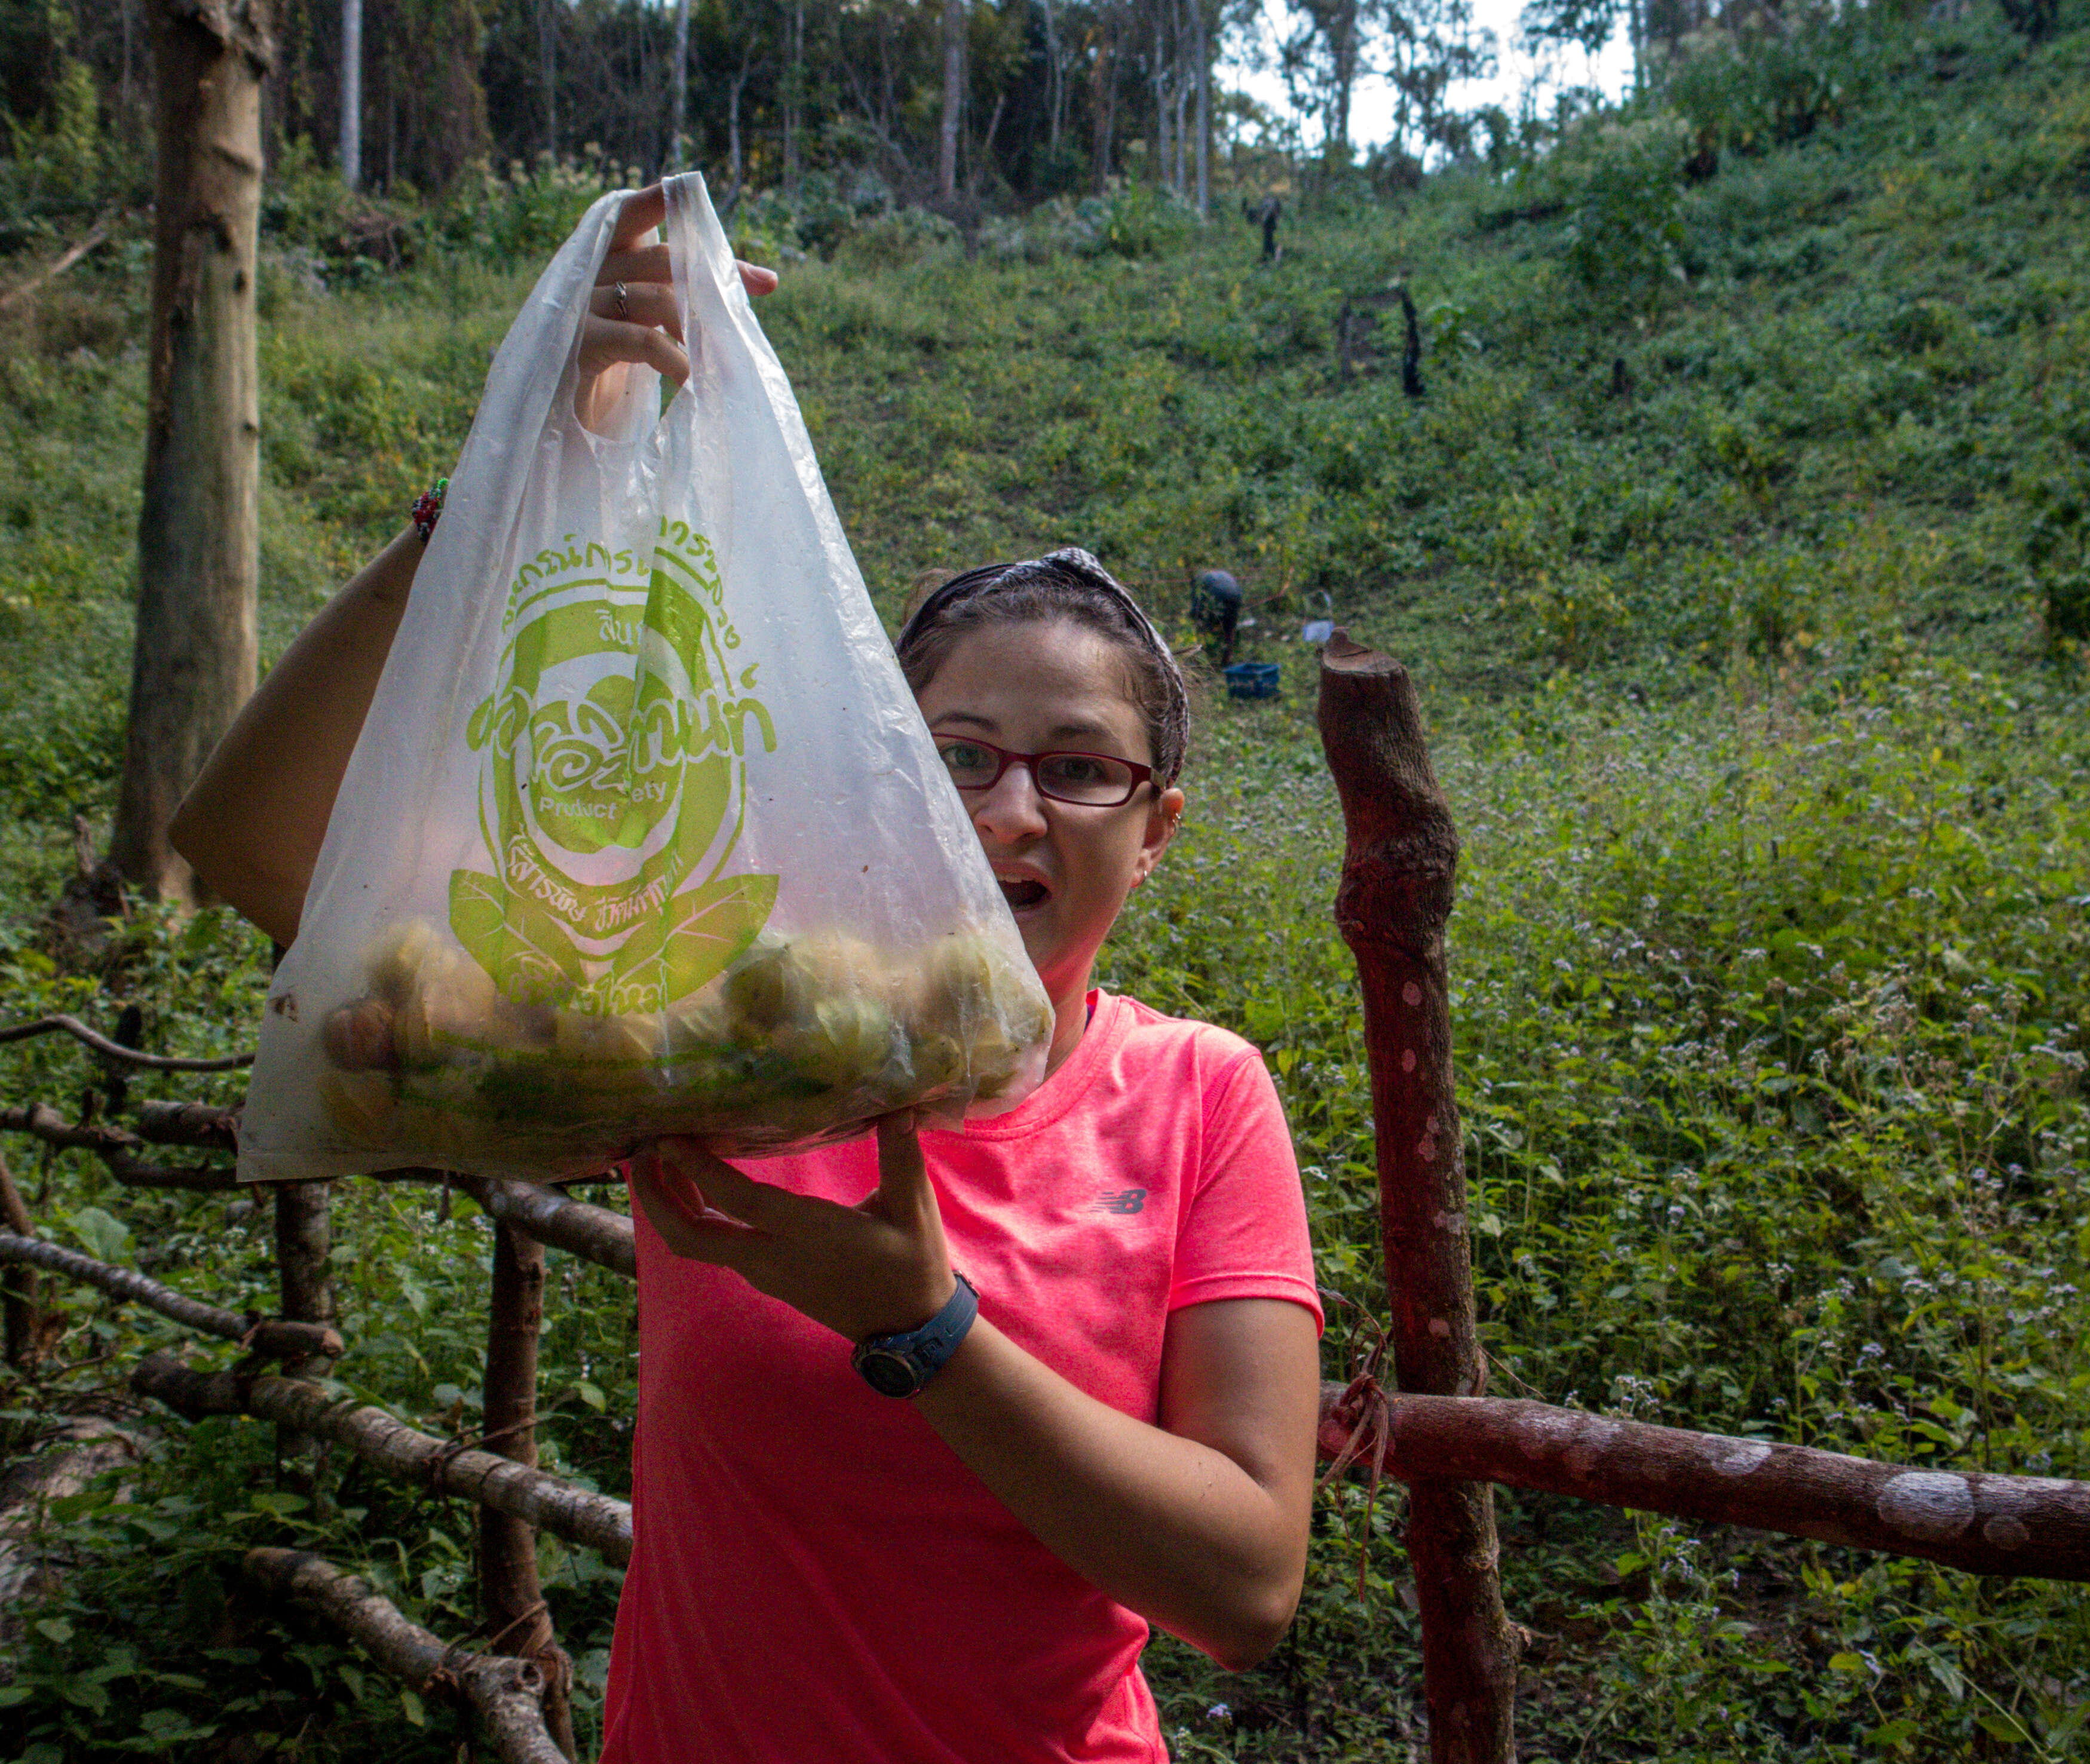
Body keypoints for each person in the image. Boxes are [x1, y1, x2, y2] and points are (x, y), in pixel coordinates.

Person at [169, 187, 1325, 1764]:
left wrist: (925, 1326)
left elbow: (1246, 1580)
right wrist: (509, 477)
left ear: (1158, 824)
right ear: (873, 785)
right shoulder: (733, 1035)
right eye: (958, 756)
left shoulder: (1199, 1096)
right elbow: (249, 847)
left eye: (1079, 768)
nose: (1008, 810)